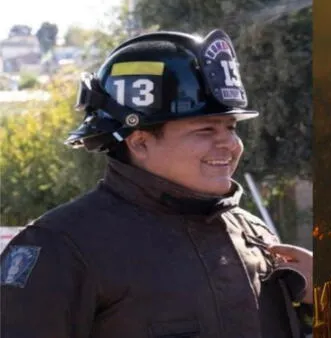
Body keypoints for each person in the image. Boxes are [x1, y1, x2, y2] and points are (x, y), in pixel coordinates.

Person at [1, 29, 313, 337]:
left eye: (231, 127)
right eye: (205, 130)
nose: (231, 144)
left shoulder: (254, 236)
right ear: (139, 142)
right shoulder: (61, 248)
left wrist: (326, 300)